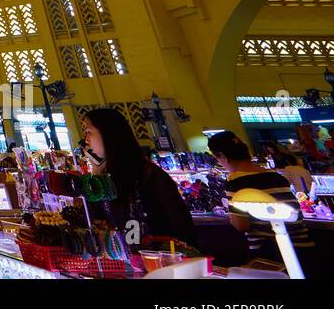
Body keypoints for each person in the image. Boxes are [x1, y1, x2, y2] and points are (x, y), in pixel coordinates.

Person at [82, 109, 195, 246]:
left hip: (164, 260)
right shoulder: (106, 179)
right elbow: (103, 221)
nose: (86, 140)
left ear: (108, 134)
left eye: (88, 132)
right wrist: (97, 170)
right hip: (132, 263)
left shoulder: (148, 175)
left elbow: (183, 228)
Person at [209, 130, 317, 268]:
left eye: (217, 159)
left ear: (223, 157)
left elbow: (242, 225)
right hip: (304, 246)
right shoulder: (277, 177)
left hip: (271, 253)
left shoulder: (235, 182)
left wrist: (232, 217)